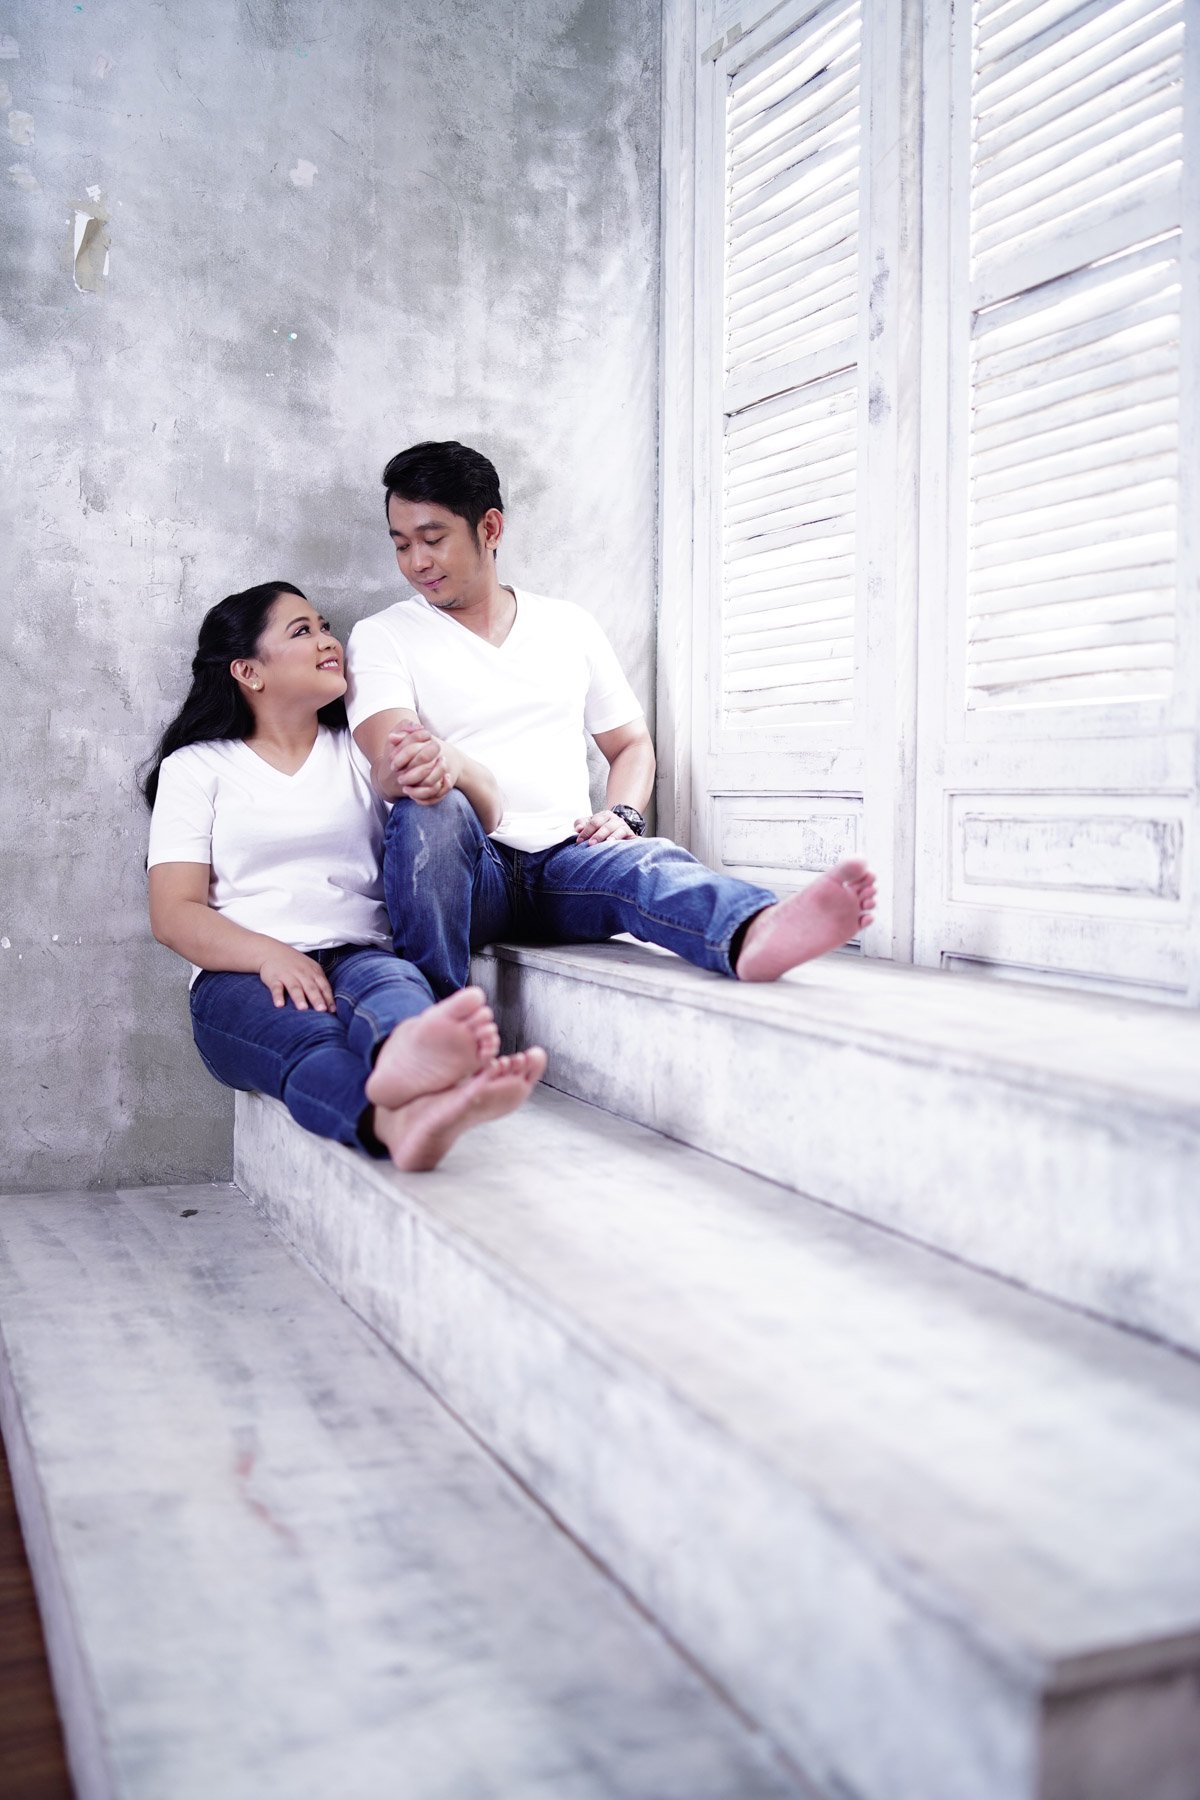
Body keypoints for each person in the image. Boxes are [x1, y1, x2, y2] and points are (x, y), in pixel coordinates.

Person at [347, 441, 877, 997]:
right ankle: (436, 1014)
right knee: (430, 807)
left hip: (566, 862)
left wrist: (622, 813)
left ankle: (749, 932)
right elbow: (390, 766)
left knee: (648, 862)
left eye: (433, 540)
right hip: (468, 873)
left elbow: (631, 744)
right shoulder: (384, 636)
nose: (417, 562)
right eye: (402, 545)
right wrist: (416, 765)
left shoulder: (567, 625)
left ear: (491, 528)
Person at [142, 580, 546, 1172]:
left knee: (399, 996)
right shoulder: (197, 768)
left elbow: (479, 813)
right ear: (249, 672)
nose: (329, 641)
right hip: (241, 976)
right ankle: (391, 1119)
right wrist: (269, 956)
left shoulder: (361, 753)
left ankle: (427, 1086)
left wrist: (455, 769)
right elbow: (173, 913)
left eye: (325, 627)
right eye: (302, 631)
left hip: (361, 953)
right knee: (312, 1041)